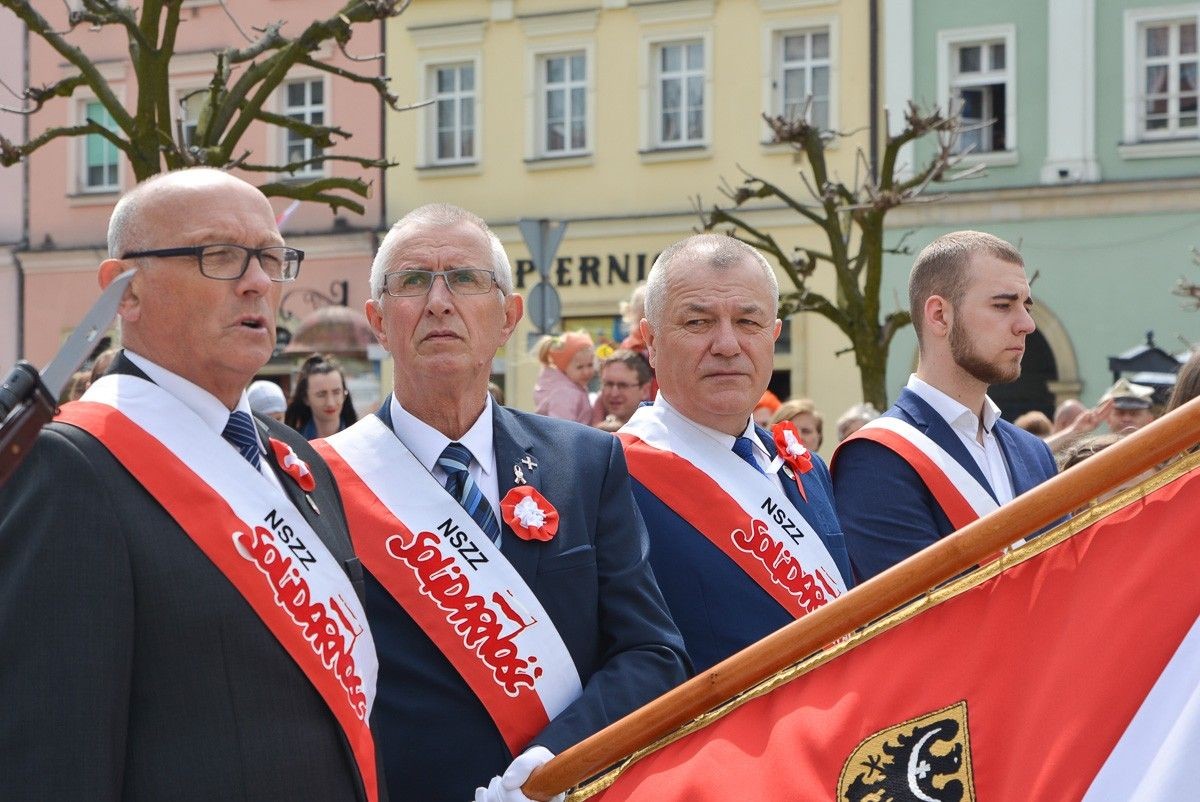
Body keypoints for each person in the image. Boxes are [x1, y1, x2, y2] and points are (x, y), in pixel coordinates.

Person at [0, 168, 384, 801]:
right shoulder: (70, 465)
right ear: (124, 290)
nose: (258, 282)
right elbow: (51, 757)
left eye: (269, 258)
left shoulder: (291, 457)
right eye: (220, 256)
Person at [315, 203, 688, 802]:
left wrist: (554, 762)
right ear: (379, 322)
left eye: (464, 279)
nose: (439, 301)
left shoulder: (586, 462)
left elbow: (651, 652)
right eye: (413, 281)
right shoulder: (321, 481)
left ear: (508, 316)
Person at [617, 233, 853, 672]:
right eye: (697, 323)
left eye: (748, 323)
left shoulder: (808, 470)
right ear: (650, 341)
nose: (727, 345)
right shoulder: (612, 476)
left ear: (774, 335)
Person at [831, 230, 1058, 583]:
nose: (1027, 325)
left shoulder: (1034, 453)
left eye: (1026, 306)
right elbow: (918, 619)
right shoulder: (876, 458)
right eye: (1003, 305)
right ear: (939, 315)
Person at [285, 352, 358, 438]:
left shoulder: (359, 440)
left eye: (336, 392)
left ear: (344, 394)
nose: (330, 403)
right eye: (321, 394)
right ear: (306, 398)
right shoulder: (294, 444)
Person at [594, 348, 652, 432]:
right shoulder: (589, 419)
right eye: (608, 384)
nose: (614, 393)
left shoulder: (655, 434)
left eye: (623, 385)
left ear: (644, 390)